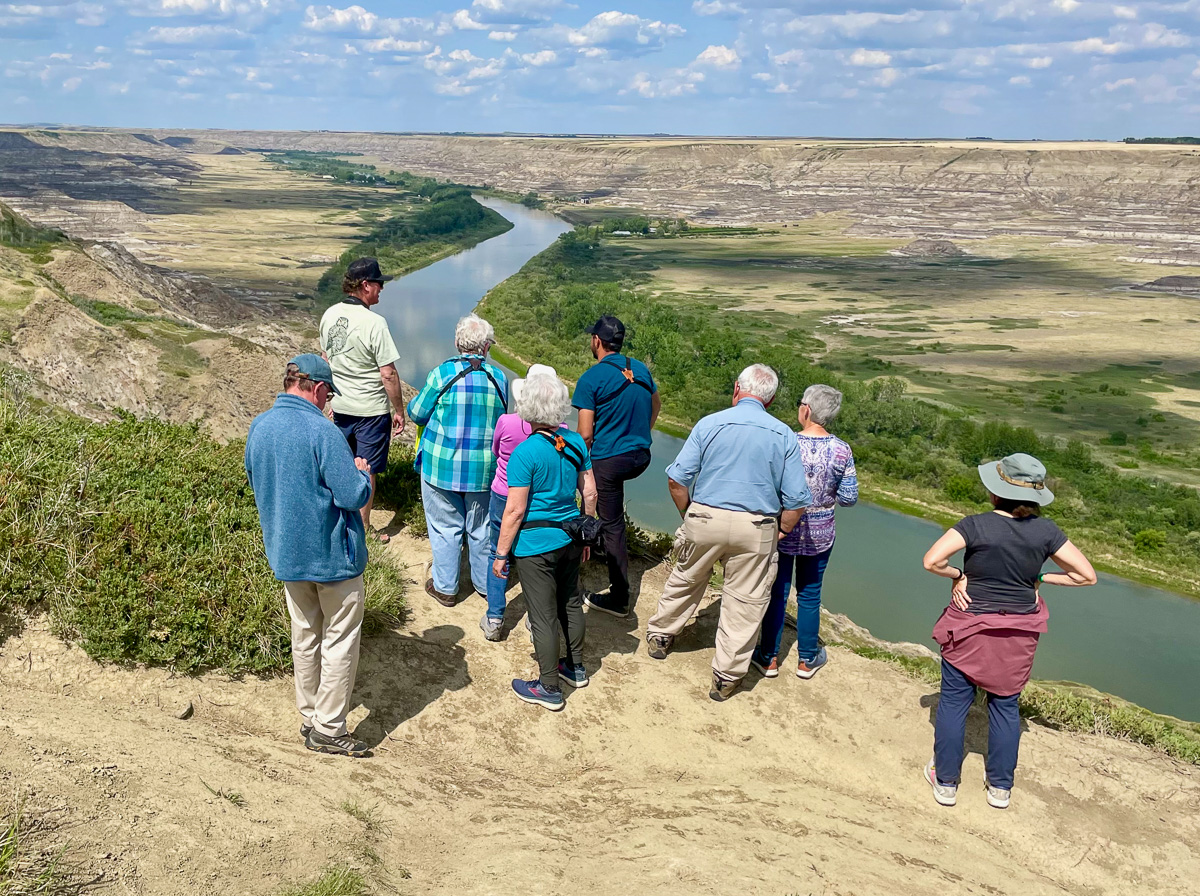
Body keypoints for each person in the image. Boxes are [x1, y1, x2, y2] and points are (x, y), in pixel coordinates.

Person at [921, 453, 1096, 809]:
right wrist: (1040, 578)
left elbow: (932, 561)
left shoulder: (974, 525)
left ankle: (946, 783)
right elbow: (1086, 576)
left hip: (970, 626)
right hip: (1018, 632)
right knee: (1005, 705)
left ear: (995, 491)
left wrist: (958, 575)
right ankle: (1000, 787)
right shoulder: (1047, 532)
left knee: (954, 704)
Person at [646, 364, 812, 702]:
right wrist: (782, 529)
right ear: (772, 399)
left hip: (705, 516)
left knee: (686, 578)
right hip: (757, 525)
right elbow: (796, 501)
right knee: (746, 600)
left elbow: (677, 480)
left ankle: (661, 636)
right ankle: (725, 677)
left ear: (737, 388)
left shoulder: (710, 424)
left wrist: (688, 514)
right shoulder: (784, 435)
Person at [244, 354, 375, 758]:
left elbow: (255, 480)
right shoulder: (323, 432)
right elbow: (352, 495)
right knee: (339, 641)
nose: (328, 402)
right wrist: (362, 472)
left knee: (303, 635)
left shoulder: (259, 427)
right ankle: (330, 730)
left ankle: (310, 714)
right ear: (317, 388)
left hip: (286, 552)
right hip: (333, 557)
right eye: (328, 394)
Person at [492, 374, 599, 711]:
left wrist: (500, 554)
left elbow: (515, 510)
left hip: (536, 544)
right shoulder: (576, 444)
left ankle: (549, 687)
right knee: (570, 602)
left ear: (529, 408)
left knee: (542, 615)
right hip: (570, 535)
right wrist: (585, 536)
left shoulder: (526, 452)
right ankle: (576, 667)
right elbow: (591, 492)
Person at [752, 384, 858, 680]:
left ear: (806, 409)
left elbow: (768, 483)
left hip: (783, 529)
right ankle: (807, 659)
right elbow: (849, 498)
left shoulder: (786, 441)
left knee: (777, 591)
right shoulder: (842, 449)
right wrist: (824, 499)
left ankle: (768, 657)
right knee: (810, 595)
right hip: (821, 534)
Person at [407, 313, 508, 608]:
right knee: (482, 527)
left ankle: (446, 587)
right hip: (485, 469)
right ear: (486, 347)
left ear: (456, 343)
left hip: (441, 466)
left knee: (444, 526)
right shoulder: (499, 377)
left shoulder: (442, 374)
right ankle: (484, 584)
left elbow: (417, 413)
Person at [573, 315, 662, 618]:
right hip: (641, 454)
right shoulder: (640, 369)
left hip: (610, 459)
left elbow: (584, 434)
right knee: (610, 508)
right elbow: (656, 403)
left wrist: (579, 467)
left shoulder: (591, 378)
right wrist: (642, 434)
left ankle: (619, 598)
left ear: (597, 341)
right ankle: (601, 546)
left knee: (612, 524)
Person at [319, 257, 406, 544]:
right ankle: (364, 527)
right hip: (370, 409)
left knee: (342, 465)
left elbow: (326, 360)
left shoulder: (329, 315)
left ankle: (339, 520)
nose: (381, 289)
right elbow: (388, 373)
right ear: (365, 285)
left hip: (341, 407)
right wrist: (399, 410)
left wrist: (329, 400)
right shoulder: (375, 323)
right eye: (378, 283)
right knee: (366, 468)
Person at [481, 363, 564, 641]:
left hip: (503, 494)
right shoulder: (562, 431)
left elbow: (495, 451)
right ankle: (534, 619)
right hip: (539, 499)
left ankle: (494, 618)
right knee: (535, 560)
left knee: (497, 552)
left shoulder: (506, 422)